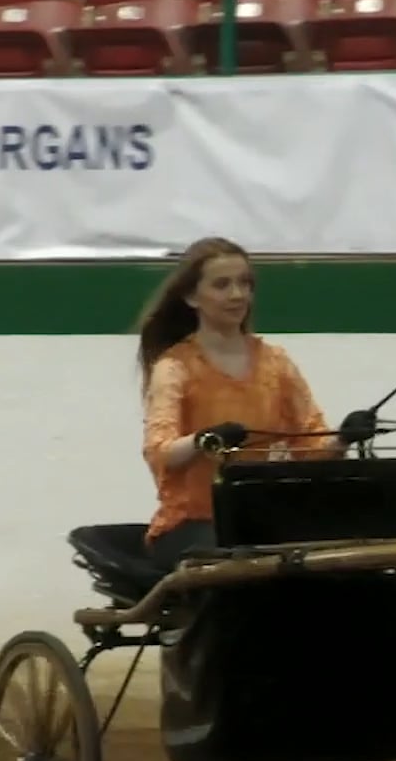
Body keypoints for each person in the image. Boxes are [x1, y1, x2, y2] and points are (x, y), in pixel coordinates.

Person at [135, 237, 341, 573]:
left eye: (245, 283)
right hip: (190, 527)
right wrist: (205, 439)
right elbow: (160, 453)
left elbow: (311, 448)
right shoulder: (175, 367)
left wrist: (344, 438)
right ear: (191, 297)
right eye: (222, 284)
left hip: (262, 520)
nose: (237, 294)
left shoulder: (276, 363)